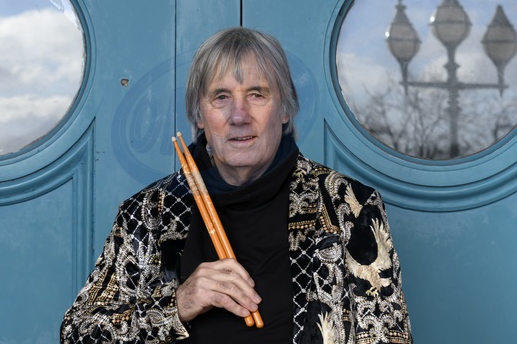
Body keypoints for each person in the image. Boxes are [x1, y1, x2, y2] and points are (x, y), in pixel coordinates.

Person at [60, 27, 412, 344]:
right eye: (221, 97)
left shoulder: (347, 205)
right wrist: (178, 304)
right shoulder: (149, 213)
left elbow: (388, 336)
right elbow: (77, 333)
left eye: (257, 94)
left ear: (285, 109)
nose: (239, 116)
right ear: (200, 115)